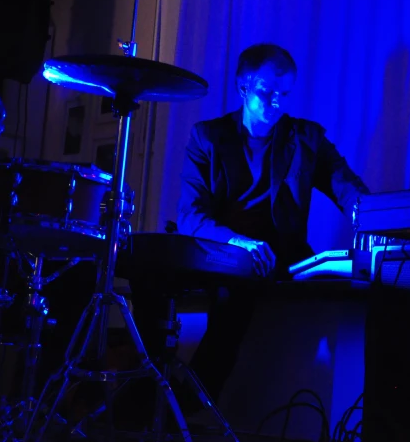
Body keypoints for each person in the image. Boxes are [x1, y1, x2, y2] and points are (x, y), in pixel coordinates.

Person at [130, 43, 369, 420]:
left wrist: (382, 220)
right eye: (266, 93)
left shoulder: (306, 139)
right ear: (243, 86)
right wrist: (239, 242)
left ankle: (183, 411)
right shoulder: (207, 137)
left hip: (277, 258)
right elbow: (191, 215)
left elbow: (348, 189)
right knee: (144, 273)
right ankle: (145, 392)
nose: (276, 104)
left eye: (284, 95)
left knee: (234, 298)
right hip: (217, 253)